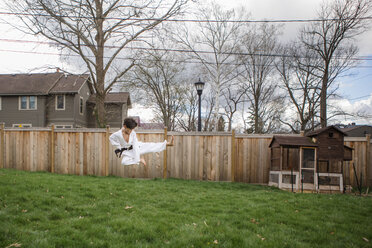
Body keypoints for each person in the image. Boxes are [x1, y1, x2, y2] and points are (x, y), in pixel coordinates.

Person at [109, 117, 174, 166]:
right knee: (124, 162)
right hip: (127, 151)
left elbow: (135, 146)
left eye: (132, 130)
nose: (131, 131)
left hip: (138, 147)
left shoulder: (133, 133)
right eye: (129, 130)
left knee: (151, 146)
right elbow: (111, 138)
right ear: (124, 126)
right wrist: (119, 147)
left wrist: (136, 157)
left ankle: (168, 143)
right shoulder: (117, 134)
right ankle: (140, 160)